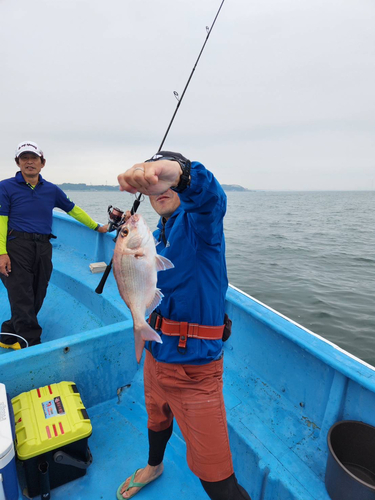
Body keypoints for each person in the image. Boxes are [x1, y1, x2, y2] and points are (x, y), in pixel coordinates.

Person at [116, 152, 251, 500]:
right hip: (156, 354)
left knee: (218, 480)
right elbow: (141, 270)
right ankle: (154, 465)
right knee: (156, 419)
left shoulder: (201, 226)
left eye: (166, 184)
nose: (159, 190)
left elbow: (210, 200)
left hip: (195, 373)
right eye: (152, 186)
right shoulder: (158, 231)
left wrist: (180, 173)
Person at [0, 141, 108, 350]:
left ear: (43, 163)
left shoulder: (51, 190)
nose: (29, 162)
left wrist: (96, 226)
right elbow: (1, 220)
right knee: (21, 294)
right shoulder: (5, 187)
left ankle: (8, 332)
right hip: (16, 245)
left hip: (43, 246)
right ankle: (31, 345)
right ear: (18, 162)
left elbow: (73, 210)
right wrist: (1, 252)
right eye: (24, 158)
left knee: (38, 292)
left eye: (34, 158)